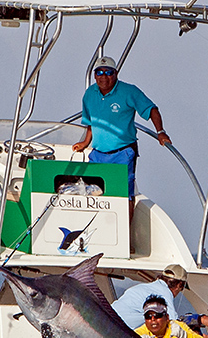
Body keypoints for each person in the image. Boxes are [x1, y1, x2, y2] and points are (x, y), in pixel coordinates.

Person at [72, 57, 169, 220]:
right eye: (100, 72)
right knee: (92, 192)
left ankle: (126, 235)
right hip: (98, 154)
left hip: (123, 153)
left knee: (124, 194)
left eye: (108, 72)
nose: (104, 76)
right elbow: (91, 122)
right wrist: (85, 142)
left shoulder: (129, 91)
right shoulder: (89, 94)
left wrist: (160, 132)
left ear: (115, 74)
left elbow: (152, 109)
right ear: (95, 75)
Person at [111, 264, 187, 330]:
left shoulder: (150, 286)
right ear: (179, 285)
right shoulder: (164, 293)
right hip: (119, 328)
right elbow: (173, 323)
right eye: (182, 288)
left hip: (108, 318)